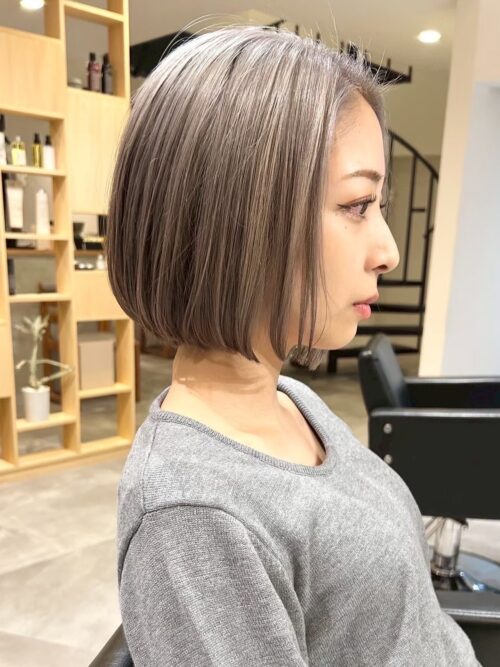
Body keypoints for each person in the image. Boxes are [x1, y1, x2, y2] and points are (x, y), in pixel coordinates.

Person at [106, 25, 480, 666]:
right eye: (357, 205)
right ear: (237, 218)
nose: (388, 251)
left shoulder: (293, 400)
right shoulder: (194, 516)